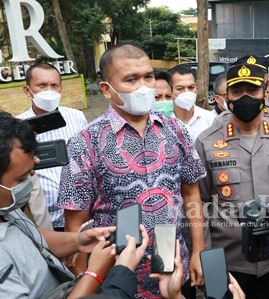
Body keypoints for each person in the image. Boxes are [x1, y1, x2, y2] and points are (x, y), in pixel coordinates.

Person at [57, 44, 207, 298]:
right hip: (116, 276)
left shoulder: (176, 129)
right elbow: (75, 221)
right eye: (131, 79)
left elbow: (192, 194)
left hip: (171, 265)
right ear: (106, 89)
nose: (143, 87)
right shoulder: (85, 141)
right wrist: (82, 277)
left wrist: (198, 251)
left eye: (148, 77)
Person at [195, 63, 269, 299]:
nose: (245, 97)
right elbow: (199, 200)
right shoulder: (206, 142)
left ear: (265, 93)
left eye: (252, 90)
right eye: (238, 91)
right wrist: (203, 255)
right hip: (228, 262)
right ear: (227, 96)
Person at [0, 111, 114, 298]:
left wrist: (78, 241)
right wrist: (95, 274)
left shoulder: (7, 207)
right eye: (21, 178)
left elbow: (32, 238)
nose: (30, 180)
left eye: (31, 172)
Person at [17, 62, 87, 231]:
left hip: (80, 214)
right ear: (27, 90)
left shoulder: (76, 117)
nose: (49, 91)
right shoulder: (16, 126)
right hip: (43, 222)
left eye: (54, 85)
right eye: (42, 85)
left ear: (61, 88)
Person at [170, 65, 216, 141]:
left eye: (191, 87)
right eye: (180, 88)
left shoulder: (211, 120)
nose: (186, 92)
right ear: (170, 91)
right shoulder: (162, 122)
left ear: (196, 89)